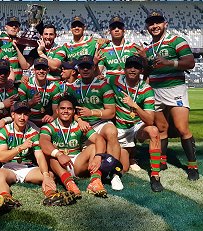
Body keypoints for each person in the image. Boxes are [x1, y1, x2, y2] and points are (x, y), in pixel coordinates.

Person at [145, 11, 198, 180]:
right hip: (155, 90)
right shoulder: (148, 48)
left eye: (158, 22)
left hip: (175, 88)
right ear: (147, 27)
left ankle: (192, 165)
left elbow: (190, 62)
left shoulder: (176, 41)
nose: (154, 26)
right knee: (161, 129)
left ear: (165, 24)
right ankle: (162, 160)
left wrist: (169, 62)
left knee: (182, 128)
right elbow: (148, 71)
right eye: (151, 23)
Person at [0, 101, 75, 207]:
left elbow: (39, 156)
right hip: (9, 167)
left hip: (27, 167)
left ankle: (51, 196)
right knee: (0, 175)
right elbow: (2, 157)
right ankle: (6, 198)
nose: (22, 117)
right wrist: (20, 148)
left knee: (49, 174)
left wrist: (46, 175)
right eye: (19, 113)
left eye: (26, 114)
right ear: (13, 115)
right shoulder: (3, 131)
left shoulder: (33, 132)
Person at [39, 95, 122, 198]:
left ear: (74, 112)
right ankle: (69, 183)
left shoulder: (79, 125)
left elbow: (99, 139)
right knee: (51, 156)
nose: (66, 111)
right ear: (57, 111)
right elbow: (43, 142)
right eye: (62, 108)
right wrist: (59, 154)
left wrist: (98, 156)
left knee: (93, 147)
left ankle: (95, 181)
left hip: (77, 163)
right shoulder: (48, 127)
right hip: (59, 165)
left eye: (69, 109)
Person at [67, 55, 123, 190]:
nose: (85, 69)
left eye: (88, 66)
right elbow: (69, 111)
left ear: (94, 67)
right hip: (82, 125)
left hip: (100, 122)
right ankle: (97, 174)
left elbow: (111, 112)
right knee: (86, 164)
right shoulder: (73, 88)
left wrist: (92, 113)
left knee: (111, 131)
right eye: (82, 67)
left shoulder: (103, 86)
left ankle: (114, 174)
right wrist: (79, 120)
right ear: (78, 69)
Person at [108, 55, 163, 192]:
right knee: (123, 167)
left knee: (154, 131)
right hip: (119, 128)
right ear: (124, 69)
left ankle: (155, 175)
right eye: (130, 66)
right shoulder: (113, 80)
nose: (132, 69)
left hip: (136, 126)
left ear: (141, 70)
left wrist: (135, 106)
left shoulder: (147, 89)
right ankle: (130, 157)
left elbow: (150, 120)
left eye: (136, 67)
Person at [98, 16, 145, 170]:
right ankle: (114, 155)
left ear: (124, 30)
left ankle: (132, 157)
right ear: (109, 31)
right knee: (114, 121)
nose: (116, 29)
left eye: (119, 27)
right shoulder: (105, 49)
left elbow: (141, 66)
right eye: (113, 27)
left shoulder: (133, 47)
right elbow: (99, 71)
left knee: (132, 119)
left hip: (129, 87)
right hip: (111, 89)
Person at [18, 58, 60, 128]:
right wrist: (31, 103)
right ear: (34, 71)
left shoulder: (54, 88)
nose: (41, 71)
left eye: (44, 69)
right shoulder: (24, 86)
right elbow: (20, 110)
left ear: (48, 70)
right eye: (38, 69)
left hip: (45, 122)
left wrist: (52, 117)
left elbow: (56, 112)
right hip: (28, 121)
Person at [0, 16, 29, 84]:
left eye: (16, 25)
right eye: (11, 25)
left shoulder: (22, 42)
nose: (13, 27)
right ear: (5, 27)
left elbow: (25, 65)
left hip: (18, 80)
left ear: (19, 29)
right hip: (3, 80)